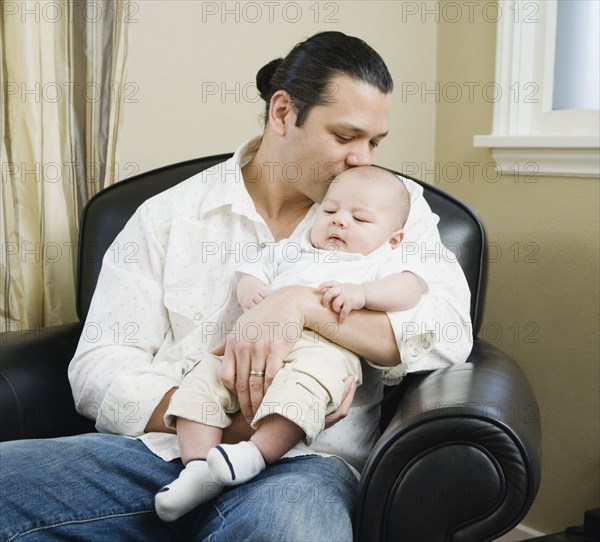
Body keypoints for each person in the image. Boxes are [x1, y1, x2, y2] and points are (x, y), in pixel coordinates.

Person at [0, 31, 472, 541]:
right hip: (157, 451)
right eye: (345, 137)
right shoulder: (169, 216)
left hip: (303, 464)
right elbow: (99, 366)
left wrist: (300, 306)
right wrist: (215, 425)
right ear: (283, 112)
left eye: (374, 143)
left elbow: (449, 333)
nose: (363, 158)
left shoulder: (391, 208)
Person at [155, 166, 426, 522]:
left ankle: (255, 455)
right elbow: (253, 268)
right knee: (203, 379)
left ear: (393, 239)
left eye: (359, 218)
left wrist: (363, 293)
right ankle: (197, 469)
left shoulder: (380, 261)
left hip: (324, 349)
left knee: (305, 391)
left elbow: (410, 289)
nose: (339, 222)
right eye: (329, 211)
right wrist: (251, 290)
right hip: (248, 349)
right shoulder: (292, 251)